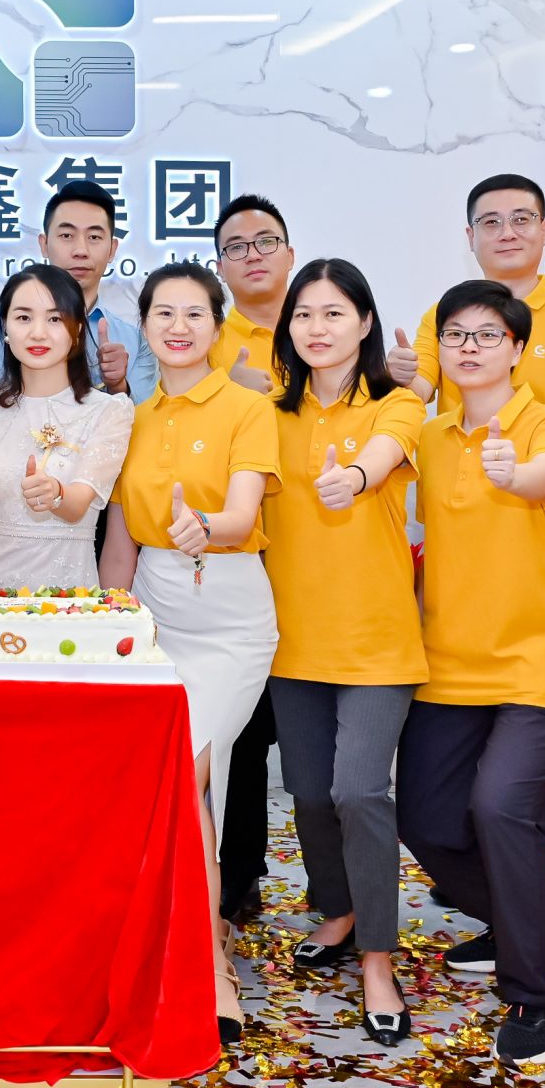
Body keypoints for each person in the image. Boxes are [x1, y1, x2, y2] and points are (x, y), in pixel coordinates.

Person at [395, 174, 545, 956]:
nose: (506, 232)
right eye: (489, 221)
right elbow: (418, 405)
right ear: (469, 235)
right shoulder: (444, 322)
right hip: (464, 590)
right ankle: (516, 897)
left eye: (520, 218)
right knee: (456, 792)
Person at [396, 278, 545, 1070]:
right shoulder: (431, 437)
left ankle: (534, 998)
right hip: (448, 665)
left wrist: (516, 474)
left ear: (517, 348)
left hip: (540, 662)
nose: (469, 347)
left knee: (501, 806)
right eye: (455, 335)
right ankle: (527, 924)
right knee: (425, 821)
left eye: (486, 334)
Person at [99, 261, 277, 1045]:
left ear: (216, 324)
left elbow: (242, 511)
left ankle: (210, 966)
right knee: (169, 782)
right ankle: (175, 943)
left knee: (185, 773)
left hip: (231, 615)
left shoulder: (247, 407)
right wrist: (110, 628)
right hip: (152, 611)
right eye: (163, 313)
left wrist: (205, 526)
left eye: (194, 313)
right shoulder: (128, 418)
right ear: (144, 326)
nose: (178, 326)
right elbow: (120, 539)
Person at [263, 259, 426, 1046]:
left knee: (359, 791)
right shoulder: (269, 415)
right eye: (304, 314)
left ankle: (378, 958)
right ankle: (339, 909)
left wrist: (354, 477)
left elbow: (386, 454)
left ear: (365, 323)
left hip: (376, 639)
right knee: (307, 793)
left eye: (334, 313)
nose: (317, 327)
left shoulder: (399, 404)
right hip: (291, 638)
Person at [194, 194, 297, 923]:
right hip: (233, 562)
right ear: (220, 265)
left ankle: (336, 886)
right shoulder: (206, 340)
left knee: (319, 742)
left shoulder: (319, 326)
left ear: (289, 253)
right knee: (243, 731)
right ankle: (238, 871)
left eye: (266, 241)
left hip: (321, 556)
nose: (252, 255)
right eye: (236, 246)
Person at [0, 265, 132, 588]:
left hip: (71, 600)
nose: (38, 333)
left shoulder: (109, 411)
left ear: (77, 330)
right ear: (5, 328)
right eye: (23, 317)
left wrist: (57, 494)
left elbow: (78, 505)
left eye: (55, 319)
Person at [0, 182, 144, 400]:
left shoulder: (133, 340)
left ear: (112, 250)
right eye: (67, 235)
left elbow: (147, 418)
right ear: (44, 244)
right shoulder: (0, 326)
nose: (81, 251)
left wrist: (118, 386)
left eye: (94, 237)